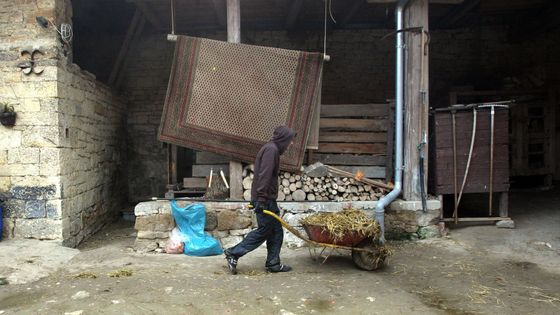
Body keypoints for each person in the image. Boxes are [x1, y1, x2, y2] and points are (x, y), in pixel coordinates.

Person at [224, 125, 296, 274]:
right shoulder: (272, 150)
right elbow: (264, 176)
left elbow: (259, 176)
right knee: (264, 230)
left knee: (276, 231)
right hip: (266, 199)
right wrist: (261, 199)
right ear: (283, 139)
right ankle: (233, 253)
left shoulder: (270, 148)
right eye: (290, 140)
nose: (291, 144)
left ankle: (273, 264)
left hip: (266, 198)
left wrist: (256, 198)